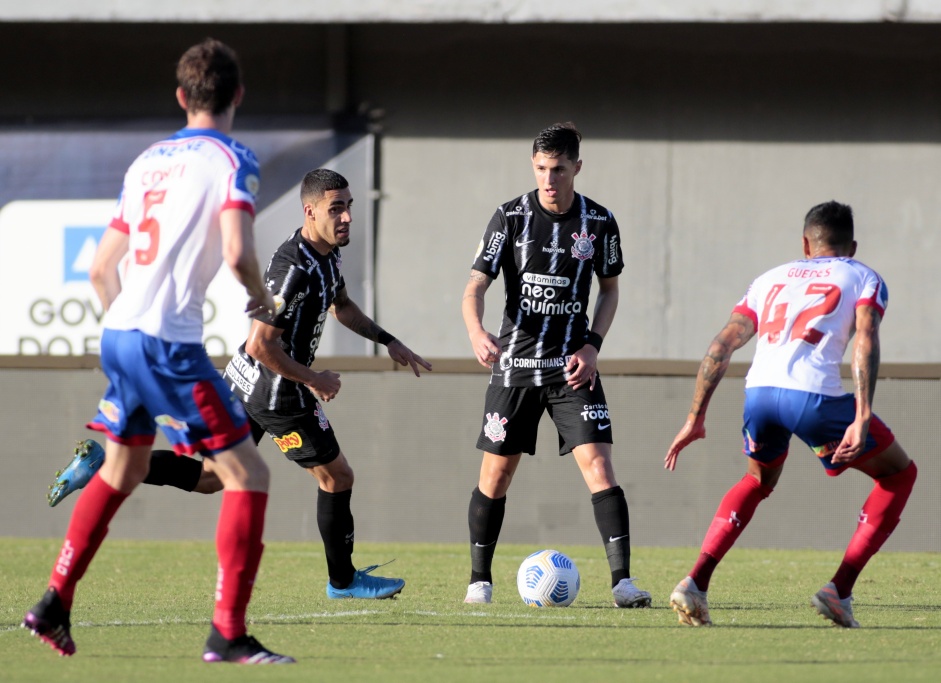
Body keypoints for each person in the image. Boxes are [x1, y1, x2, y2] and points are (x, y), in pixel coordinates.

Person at [23, 39, 295, 664]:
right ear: (238, 96)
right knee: (246, 474)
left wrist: (129, 335)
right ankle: (228, 632)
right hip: (166, 343)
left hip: (119, 334)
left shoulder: (148, 160)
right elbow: (236, 251)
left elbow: (99, 270)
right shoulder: (233, 157)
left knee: (122, 470)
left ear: (181, 97)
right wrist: (261, 300)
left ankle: (54, 602)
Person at [47, 168, 432, 601]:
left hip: (243, 381)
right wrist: (314, 379)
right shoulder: (294, 269)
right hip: (278, 394)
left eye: (348, 207)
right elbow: (262, 343)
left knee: (211, 477)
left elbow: (341, 305)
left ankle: (107, 464)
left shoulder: (325, 255)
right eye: (335, 209)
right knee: (337, 478)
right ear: (310, 211)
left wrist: (388, 341)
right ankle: (343, 582)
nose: (345, 217)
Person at [665, 200, 917, 628]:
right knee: (898, 475)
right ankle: (840, 589)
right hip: (814, 399)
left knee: (756, 480)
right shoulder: (862, 276)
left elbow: (721, 346)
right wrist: (862, 413)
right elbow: (866, 339)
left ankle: (696, 582)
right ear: (851, 246)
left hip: (760, 395)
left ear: (806, 243)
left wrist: (695, 417)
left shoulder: (769, 279)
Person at [461, 122, 651, 608]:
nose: (549, 179)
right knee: (496, 476)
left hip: (572, 367)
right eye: (542, 169)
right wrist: (477, 331)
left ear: (576, 169)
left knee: (599, 466)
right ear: (534, 166)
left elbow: (609, 291)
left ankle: (622, 584)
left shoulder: (600, 222)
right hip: (516, 364)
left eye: (559, 170)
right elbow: (475, 286)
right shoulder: (509, 217)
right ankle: (479, 582)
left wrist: (592, 346)